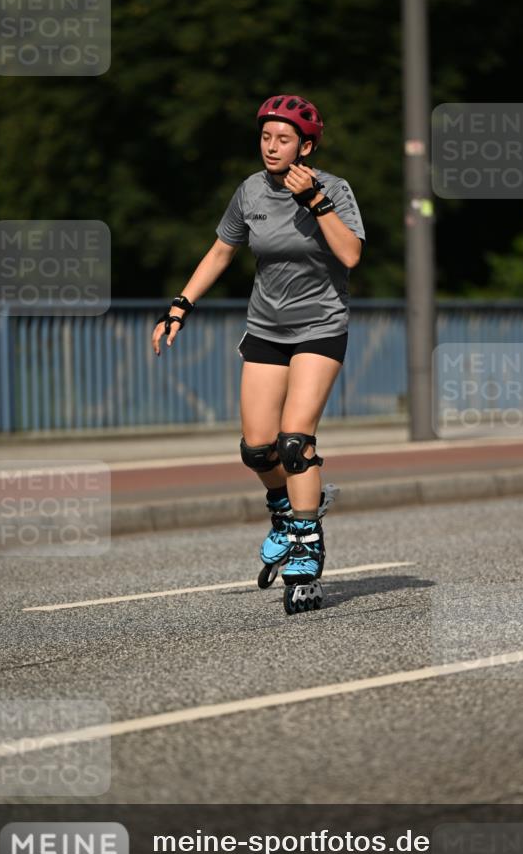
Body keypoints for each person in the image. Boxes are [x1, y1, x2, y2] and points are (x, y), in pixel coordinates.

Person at [152, 94, 365, 611]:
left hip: (320, 325)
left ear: (306, 145)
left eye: (284, 139)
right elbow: (223, 249)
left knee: (295, 443)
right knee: (257, 449)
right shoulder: (249, 191)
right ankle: (284, 506)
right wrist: (180, 305)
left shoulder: (333, 188)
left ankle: (306, 546)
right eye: (266, 137)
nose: (272, 146)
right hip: (266, 328)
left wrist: (316, 201)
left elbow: (352, 255)